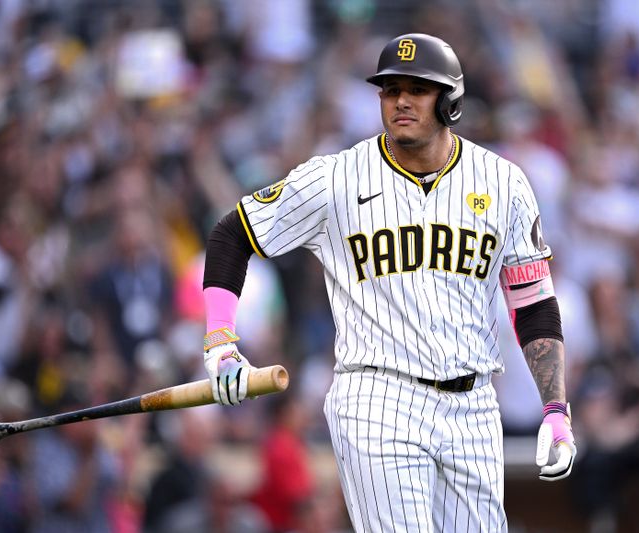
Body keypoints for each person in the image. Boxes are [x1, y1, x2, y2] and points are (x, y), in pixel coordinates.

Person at [200, 33, 576, 532]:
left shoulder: (504, 184)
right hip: (378, 395)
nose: (400, 100)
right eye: (389, 88)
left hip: (474, 402)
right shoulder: (337, 177)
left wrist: (555, 408)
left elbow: (532, 303)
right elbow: (233, 233)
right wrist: (220, 340)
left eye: (417, 88)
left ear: (451, 100)